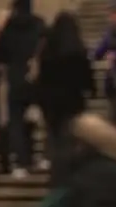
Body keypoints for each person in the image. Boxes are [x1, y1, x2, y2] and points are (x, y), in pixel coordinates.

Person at [35, 11, 94, 167]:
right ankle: (73, 159)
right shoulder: (78, 49)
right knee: (72, 131)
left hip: (51, 100)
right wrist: (91, 90)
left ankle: (53, 159)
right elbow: (86, 74)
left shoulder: (48, 50)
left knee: (53, 131)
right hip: (73, 98)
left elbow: (42, 75)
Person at [0, 0, 45, 177]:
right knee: (30, 120)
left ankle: (20, 161)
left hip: (14, 77)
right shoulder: (39, 24)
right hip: (33, 78)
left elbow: (0, 54)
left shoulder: (8, 26)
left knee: (15, 120)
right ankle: (32, 157)